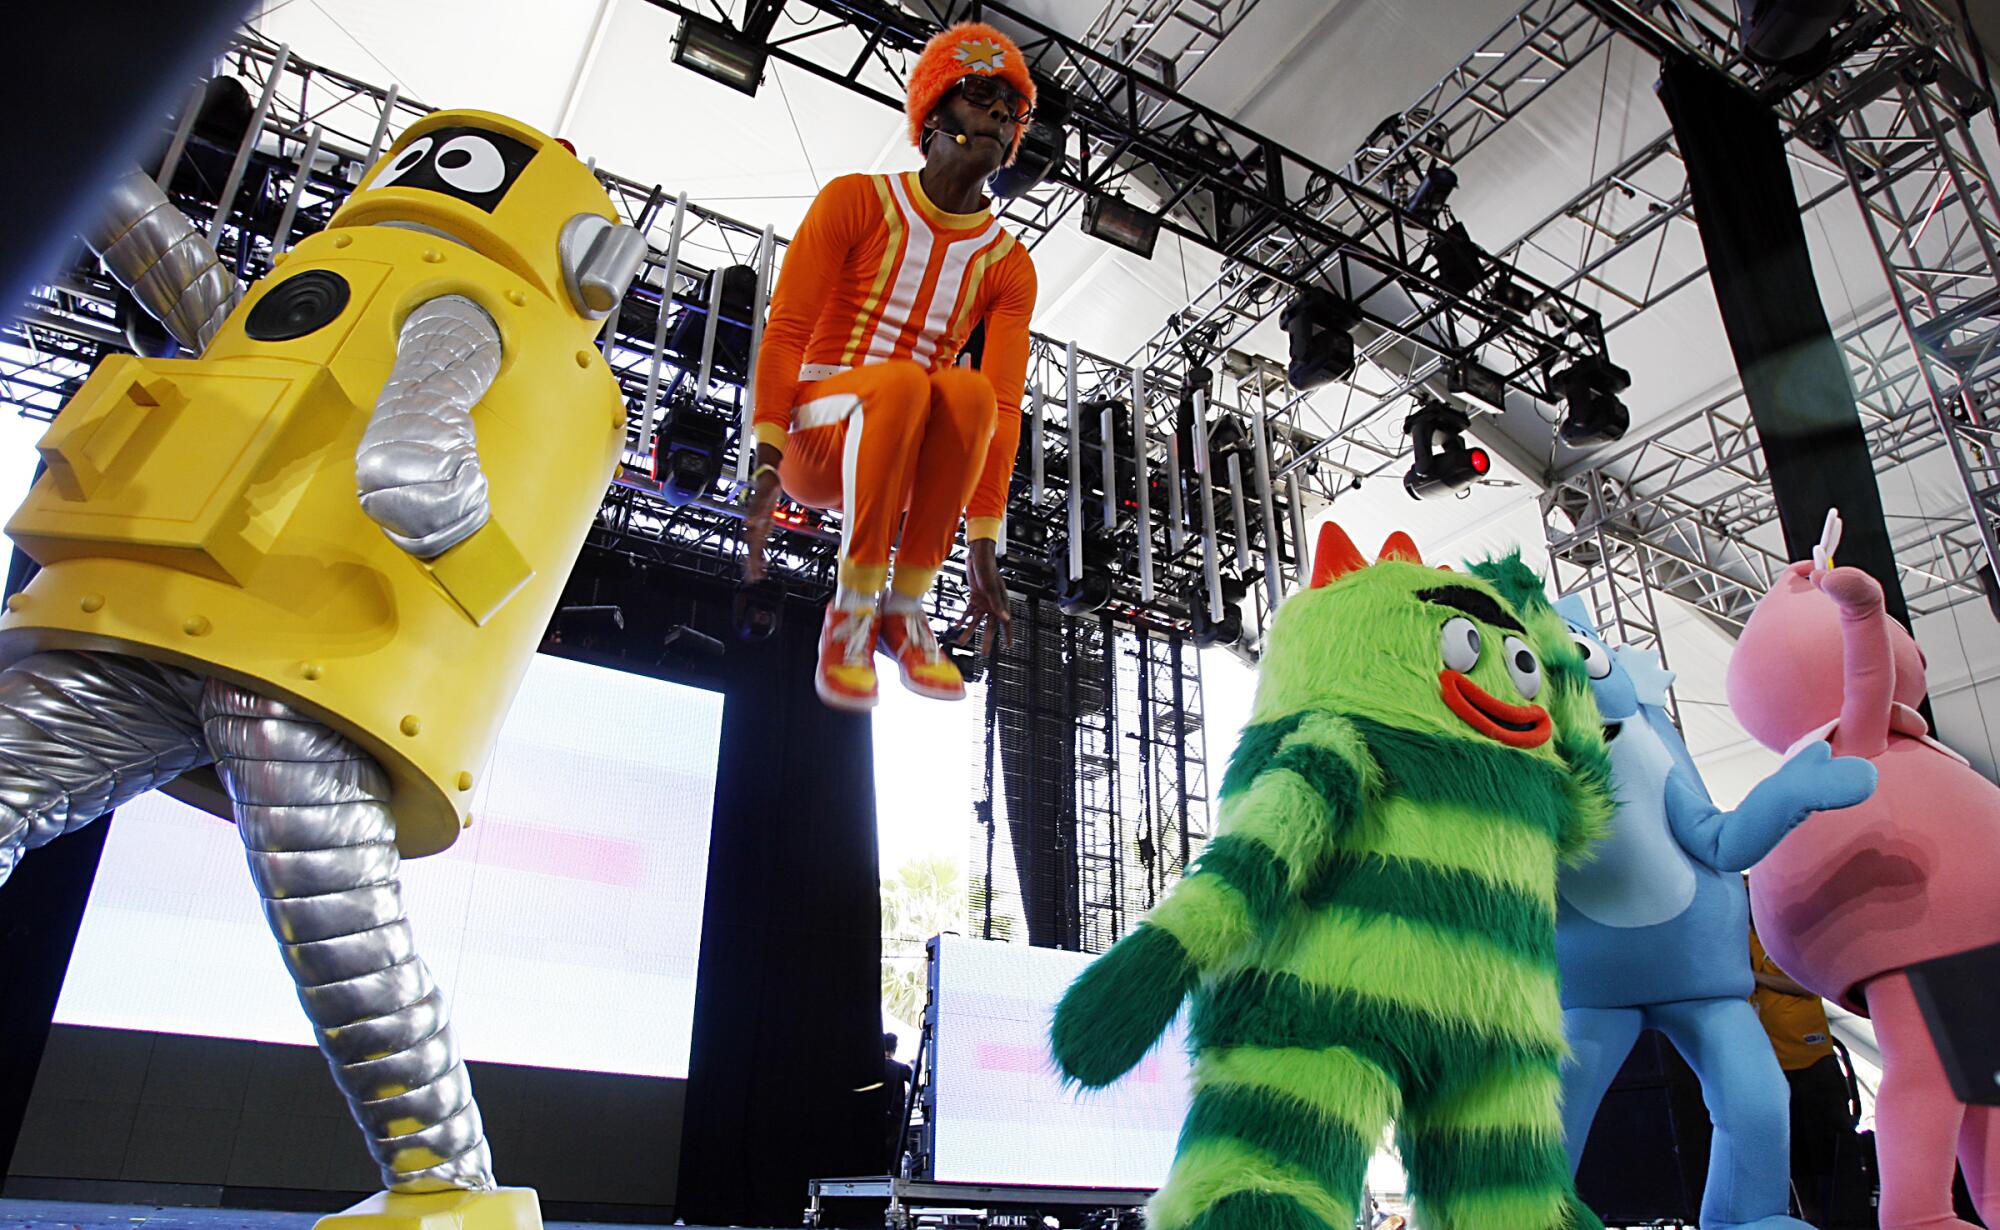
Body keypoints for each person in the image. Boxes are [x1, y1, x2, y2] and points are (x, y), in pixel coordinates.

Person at [743, 21, 1039, 712]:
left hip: (902, 465)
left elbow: (1001, 410)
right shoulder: (856, 200)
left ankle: (904, 608)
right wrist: (764, 454)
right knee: (905, 381)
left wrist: (984, 539)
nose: (999, 112)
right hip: (815, 442)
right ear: (933, 116)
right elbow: (785, 330)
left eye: (1012, 106)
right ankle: (849, 613)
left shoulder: (1009, 265)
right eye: (979, 94)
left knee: (965, 393)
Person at [1750, 919, 1855, 1224]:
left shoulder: (1790, 937)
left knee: (1830, 1154)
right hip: (1771, 1066)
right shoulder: (1739, 943)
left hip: (1812, 1060)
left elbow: (1809, 984)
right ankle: (1808, 1218)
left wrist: (1756, 977)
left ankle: (1844, 1218)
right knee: (1793, 1156)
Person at [882, 1031, 914, 1169]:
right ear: (895, 1048)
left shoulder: (874, 1067)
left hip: (876, 1119)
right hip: (896, 1121)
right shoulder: (902, 1068)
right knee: (898, 1158)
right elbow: (917, 1087)